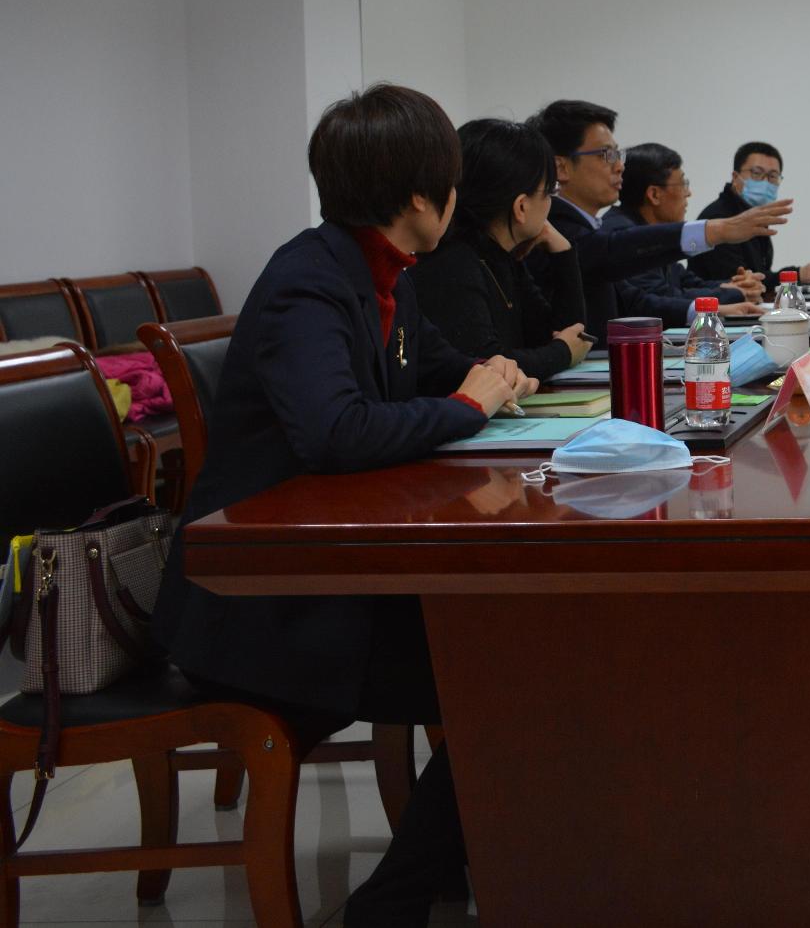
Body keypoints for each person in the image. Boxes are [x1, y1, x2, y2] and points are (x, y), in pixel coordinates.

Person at [152, 84, 536, 926]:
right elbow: (335, 430)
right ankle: (393, 902)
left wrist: (496, 375)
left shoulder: (382, 270)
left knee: (515, 657)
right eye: (450, 183)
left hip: (326, 581)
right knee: (512, 680)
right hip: (263, 607)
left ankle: (465, 861)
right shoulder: (310, 281)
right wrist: (468, 406)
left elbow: (438, 364)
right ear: (420, 198)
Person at [524, 101, 791, 339]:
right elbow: (610, 253)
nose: (619, 166)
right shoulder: (554, 227)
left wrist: (714, 306)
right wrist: (717, 230)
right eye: (606, 155)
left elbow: (634, 300)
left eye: (618, 154)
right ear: (561, 168)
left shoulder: (591, 227)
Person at [413, 119, 592, 384]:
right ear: (521, 207)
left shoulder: (500, 256)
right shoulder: (452, 263)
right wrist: (562, 353)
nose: (549, 204)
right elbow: (488, 364)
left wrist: (562, 252)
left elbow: (568, 334)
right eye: (549, 192)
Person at [603, 142, 764, 323]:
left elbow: (685, 281)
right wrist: (734, 293)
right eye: (683, 184)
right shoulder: (625, 233)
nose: (688, 193)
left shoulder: (649, 230)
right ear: (654, 194)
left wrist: (733, 285)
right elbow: (661, 296)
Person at [688, 141, 810, 287]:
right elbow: (738, 281)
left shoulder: (757, 217)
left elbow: (759, 275)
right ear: (735, 177)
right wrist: (797, 274)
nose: (765, 182)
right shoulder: (719, 219)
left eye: (772, 176)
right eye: (756, 173)